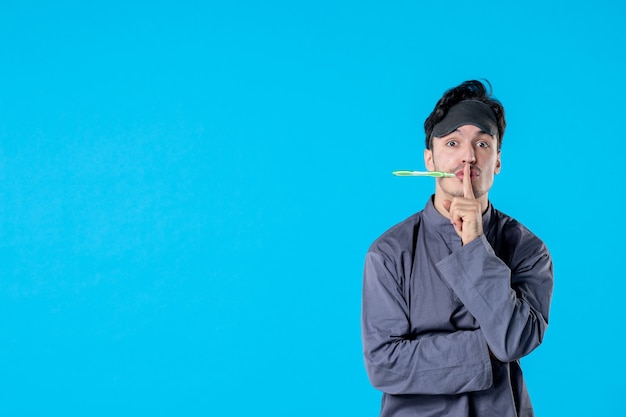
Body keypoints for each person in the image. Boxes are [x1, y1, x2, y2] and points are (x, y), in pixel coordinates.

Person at [361, 80, 553, 417]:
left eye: (482, 143)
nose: (468, 156)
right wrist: (487, 349)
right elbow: (384, 365)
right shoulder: (389, 253)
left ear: (497, 162)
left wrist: (475, 245)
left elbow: (513, 341)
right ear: (429, 157)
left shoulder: (529, 249)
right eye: (453, 142)